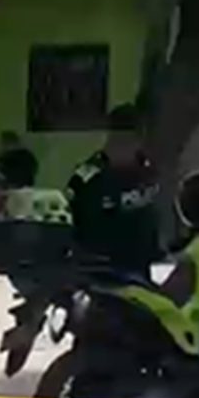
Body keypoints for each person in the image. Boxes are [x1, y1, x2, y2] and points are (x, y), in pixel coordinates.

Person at [66, 104, 161, 280]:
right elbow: (73, 226)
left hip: (140, 271)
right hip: (101, 274)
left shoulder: (147, 170)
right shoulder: (88, 177)